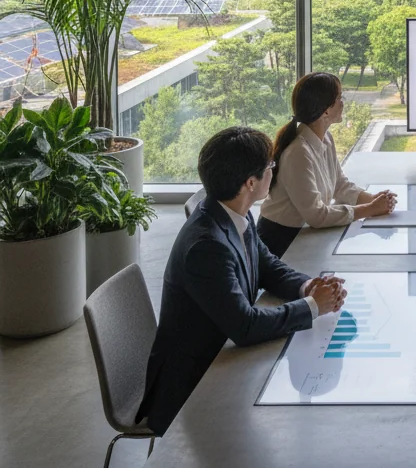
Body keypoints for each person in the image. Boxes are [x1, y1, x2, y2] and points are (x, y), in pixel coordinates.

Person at [137, 127, 346, 436]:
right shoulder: (206, 246)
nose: (273, 171)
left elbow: (266, 265)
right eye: (270, 167)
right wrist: (312, 307)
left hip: (223, 358)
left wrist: (307, 287)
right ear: (251, 183)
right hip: (195, 384)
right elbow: (245, 328)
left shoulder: (232, 209)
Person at [257, 72, 397, 256]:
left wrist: (374, 200)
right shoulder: (298, 152)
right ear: (325, 110)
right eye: (339, 98)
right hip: (281, 241)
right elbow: (317, 215)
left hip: (304, 234)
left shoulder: (325, 138)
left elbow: (339, 185)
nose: (343, 103)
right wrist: (369, 209)